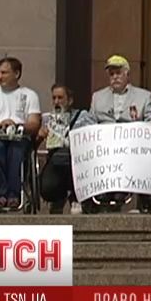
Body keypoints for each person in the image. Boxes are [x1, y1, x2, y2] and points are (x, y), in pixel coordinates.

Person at [89, 55, 151, 213]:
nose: (115, 77)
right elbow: (90, 121)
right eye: (111, 74)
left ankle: (125, 190)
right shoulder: (97, 97)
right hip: (104, 149)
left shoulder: (143, 96)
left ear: (127, 74)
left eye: (118, 73)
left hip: (131, 148)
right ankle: (102, 191)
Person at [0, 57, 41, 211]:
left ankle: (14, 195)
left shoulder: (29, 95)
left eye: (4, 73)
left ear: (16, 74)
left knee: (16, 152)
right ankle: (0, 194)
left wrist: (16, 125)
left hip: (19, 138)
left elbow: (34, 123)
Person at [38, 84, 95, 214]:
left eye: (60, 98)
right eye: (54, 98)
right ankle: (58, 198)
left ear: (69, 100)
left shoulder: (83, 116)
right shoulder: (47, 119)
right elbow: (35, 145)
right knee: (47, 188)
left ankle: (76, 197)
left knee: (68, 161)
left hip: (78, 160)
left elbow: (94, 138)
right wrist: (40, 136)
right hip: (55, 160)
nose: (56, 102)